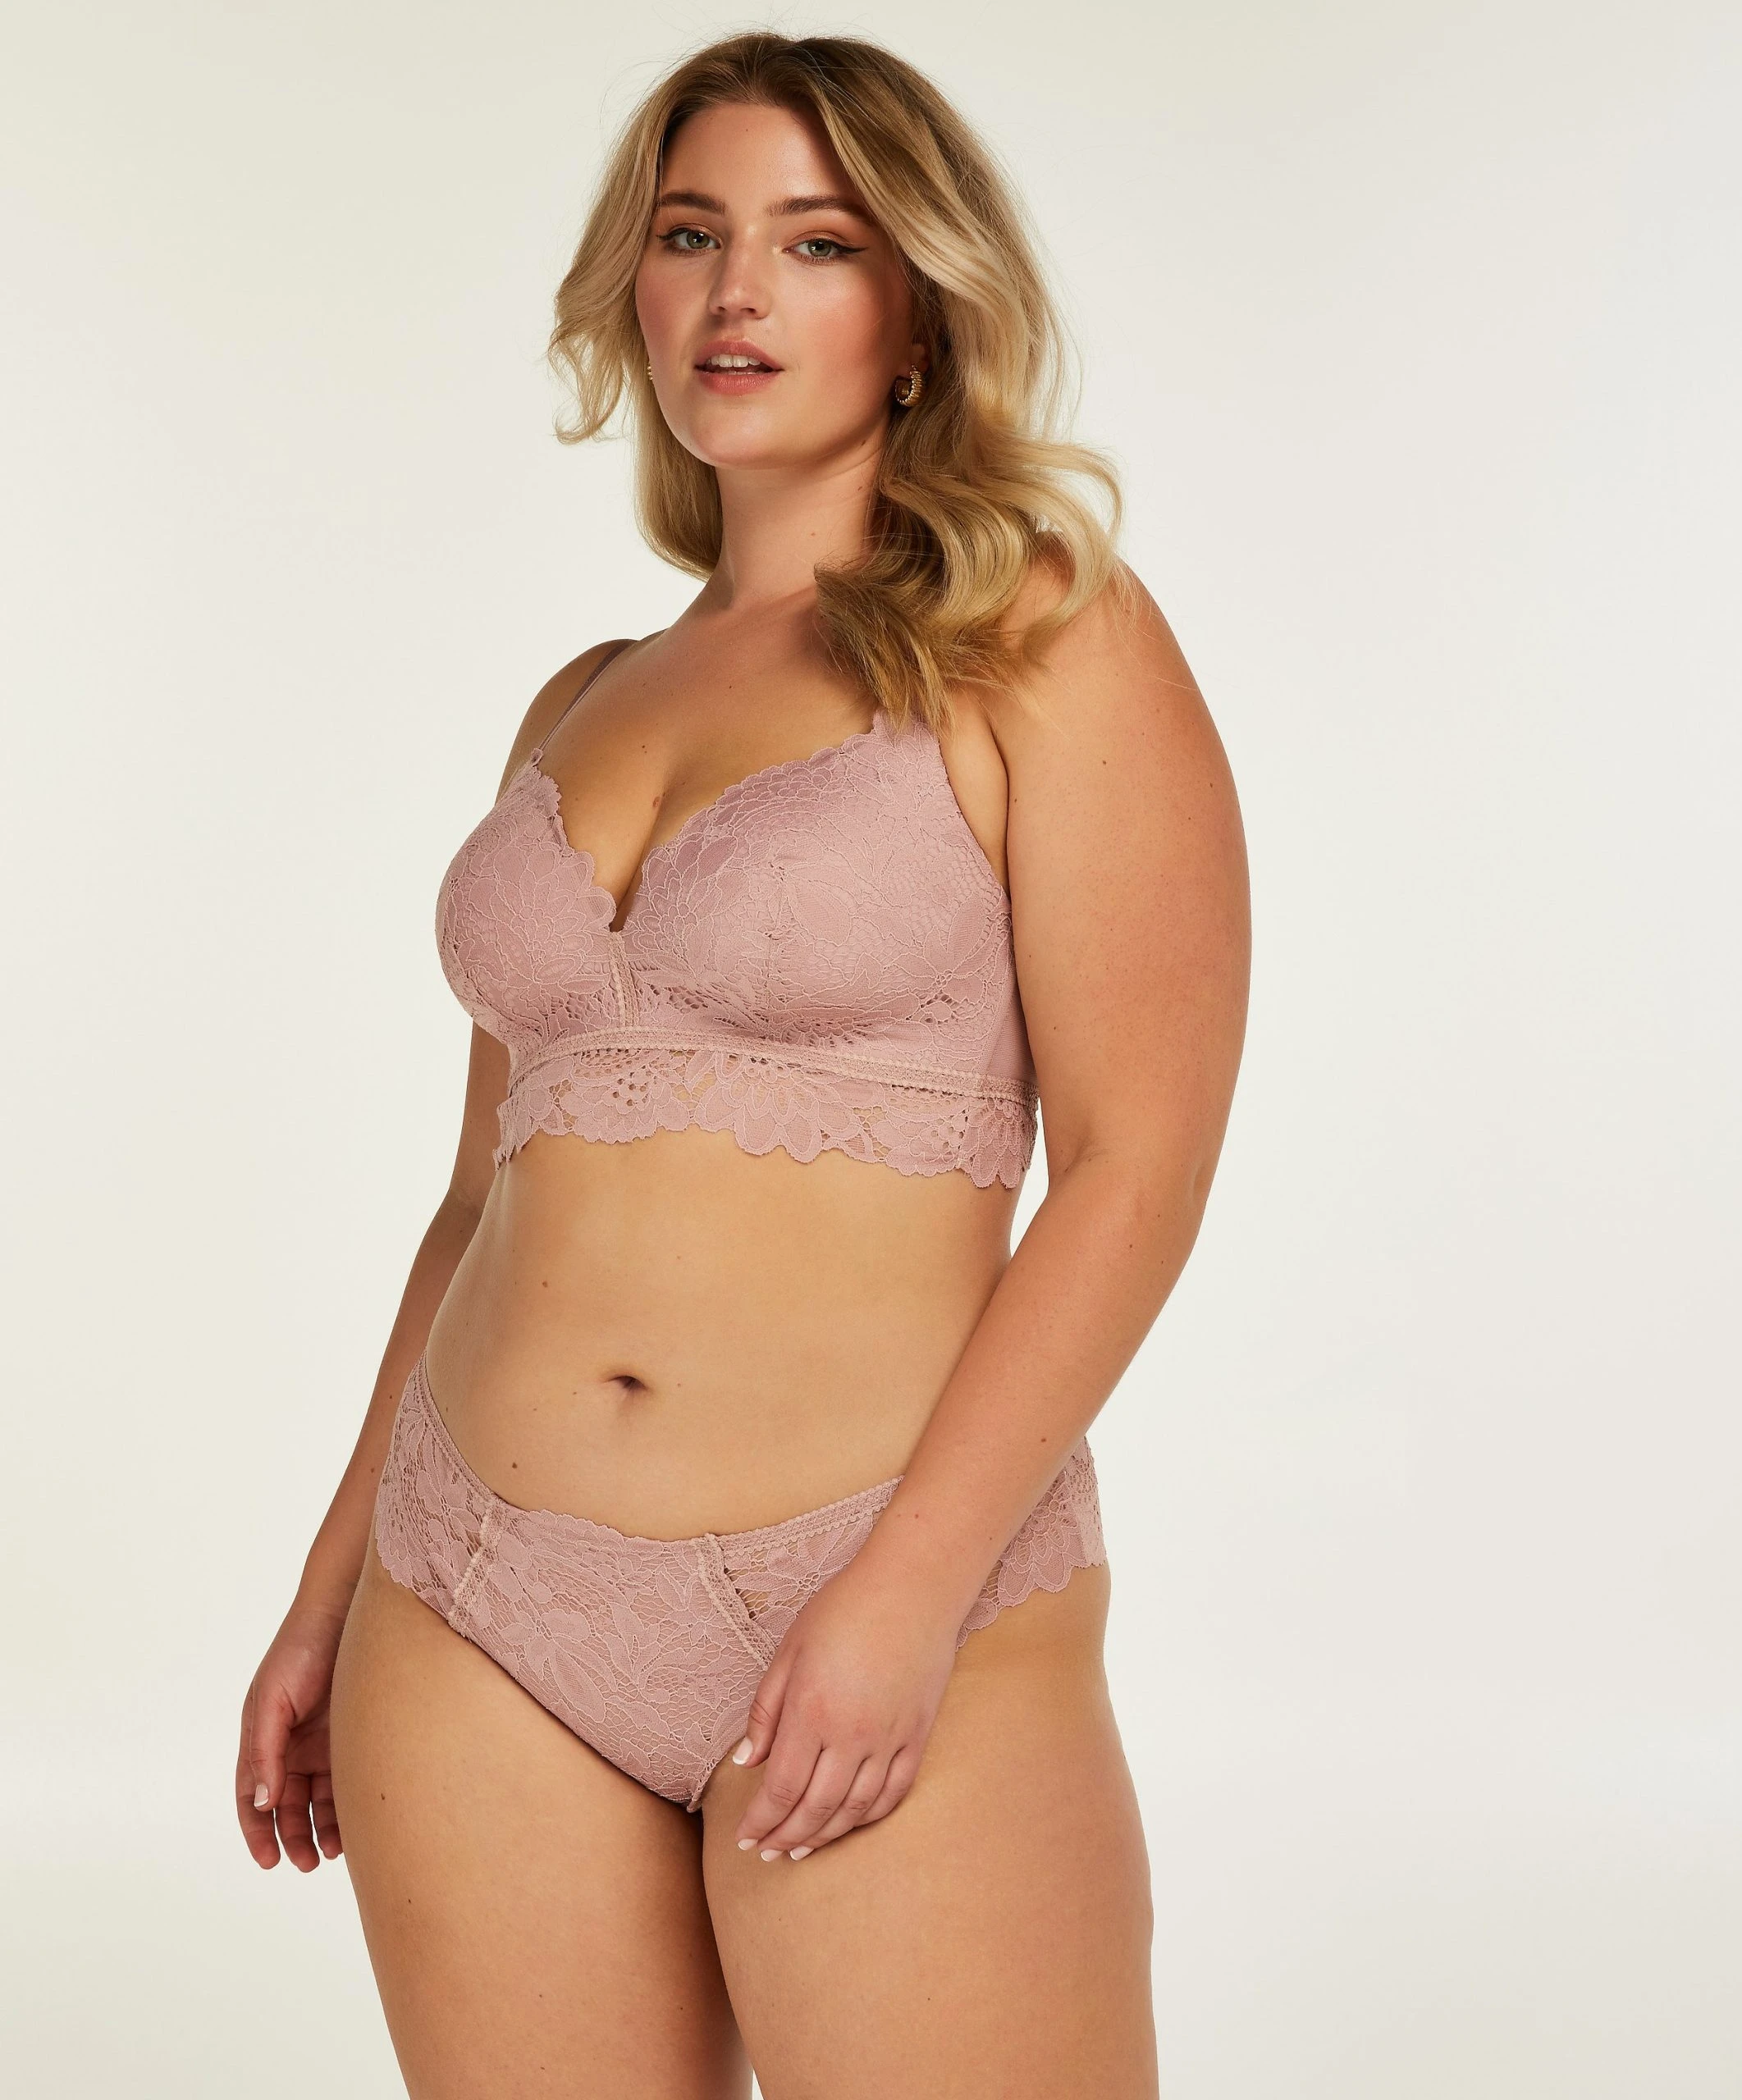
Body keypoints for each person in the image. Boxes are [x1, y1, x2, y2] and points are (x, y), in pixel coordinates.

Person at [235, 30, 1249, 2098]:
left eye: (817, 241)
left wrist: (905, 1595)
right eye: (691, 233)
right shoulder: (580, 697)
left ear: (920, 305)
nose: (738, 291)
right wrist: (330, 1585)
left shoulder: (1042, 636)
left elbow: (1133, 1167)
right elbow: (478, 1195)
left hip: (874, 1580)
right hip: (470, 1597)